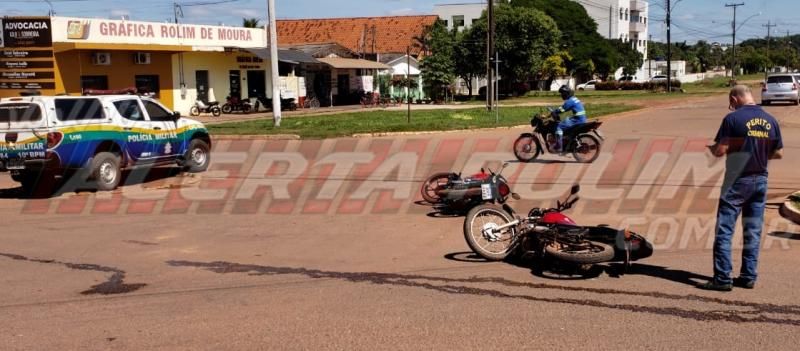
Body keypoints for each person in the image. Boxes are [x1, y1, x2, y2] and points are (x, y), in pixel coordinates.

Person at [699, 85, 783, 291]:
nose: (731, 106)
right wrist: (760, 155)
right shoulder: (771, 120)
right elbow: (778, 153)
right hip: (761, 179)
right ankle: (747, 276)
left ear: (735, 99)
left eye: (731, 103)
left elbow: (721, 151)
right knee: (752, 230)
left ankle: (722, 278)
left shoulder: (732, 119)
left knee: (725, 230)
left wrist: (712, 148)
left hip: (737, 180)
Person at [553, 85, 587, 152]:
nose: (562, 95)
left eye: (562, 93)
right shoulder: (574, 98)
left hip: (577, 120)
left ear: (566, 93)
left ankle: (559, 146)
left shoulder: (570, 101)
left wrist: (554, 112)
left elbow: (562, 109)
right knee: (566, 120)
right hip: (581, 119)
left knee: (559, 126)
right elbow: (564, 108)